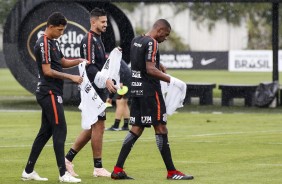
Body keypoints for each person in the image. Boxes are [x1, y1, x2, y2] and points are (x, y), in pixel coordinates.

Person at [110, 19, 194, 180]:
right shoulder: (152, 43)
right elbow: (149, 69)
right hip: (150, 92)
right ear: (160, 30)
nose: (166, 38)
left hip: (136, 91)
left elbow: (141, 63)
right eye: (166, 34)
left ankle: (117, 169)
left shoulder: (137, 40)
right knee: (161, 128)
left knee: (136, 129)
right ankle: (172, 172)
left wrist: (158, 64)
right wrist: (172, 80)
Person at [21, 12, 83, 183]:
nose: (61, 33)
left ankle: (28, 171)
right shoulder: (43, 44)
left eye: (63, 30)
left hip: (51, 92)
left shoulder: (53, 42)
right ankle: (63, 174)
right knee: (60, 129)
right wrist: (71, 77)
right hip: (49, 92)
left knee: (45, 132)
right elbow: (48, 71)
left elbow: (62, 62)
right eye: (59, 30)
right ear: (50, 27)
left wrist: (80, 60)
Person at [64, 8, 116, 177]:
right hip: (92, 89)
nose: (105, 25)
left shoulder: (98, 39)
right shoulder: (88, 39)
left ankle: (67, 160)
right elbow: (89, 67)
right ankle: (98, 168)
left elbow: (100, 66)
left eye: (106, 22)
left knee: (94, 126)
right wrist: (105, 81)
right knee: (98, 126)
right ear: (93, 22)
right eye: (102, 22)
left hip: (99, 88)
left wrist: (111, 77)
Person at [106, 60, 131, 131]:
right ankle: (125, 126)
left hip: (125, 81)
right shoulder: (114, 58)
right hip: (128, 80)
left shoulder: (111, 60)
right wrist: (110, 97)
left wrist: (121, 82)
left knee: (119, 102)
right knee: (124, 104)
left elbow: (121, 71)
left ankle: (115, 126)